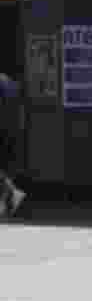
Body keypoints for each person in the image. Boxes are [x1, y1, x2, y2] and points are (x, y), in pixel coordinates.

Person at [0, 73, 27, 218]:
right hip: (12, 129)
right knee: (5, 167)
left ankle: (11, 195)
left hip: (4, 128)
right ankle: (7, 201)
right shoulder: (11, 83)